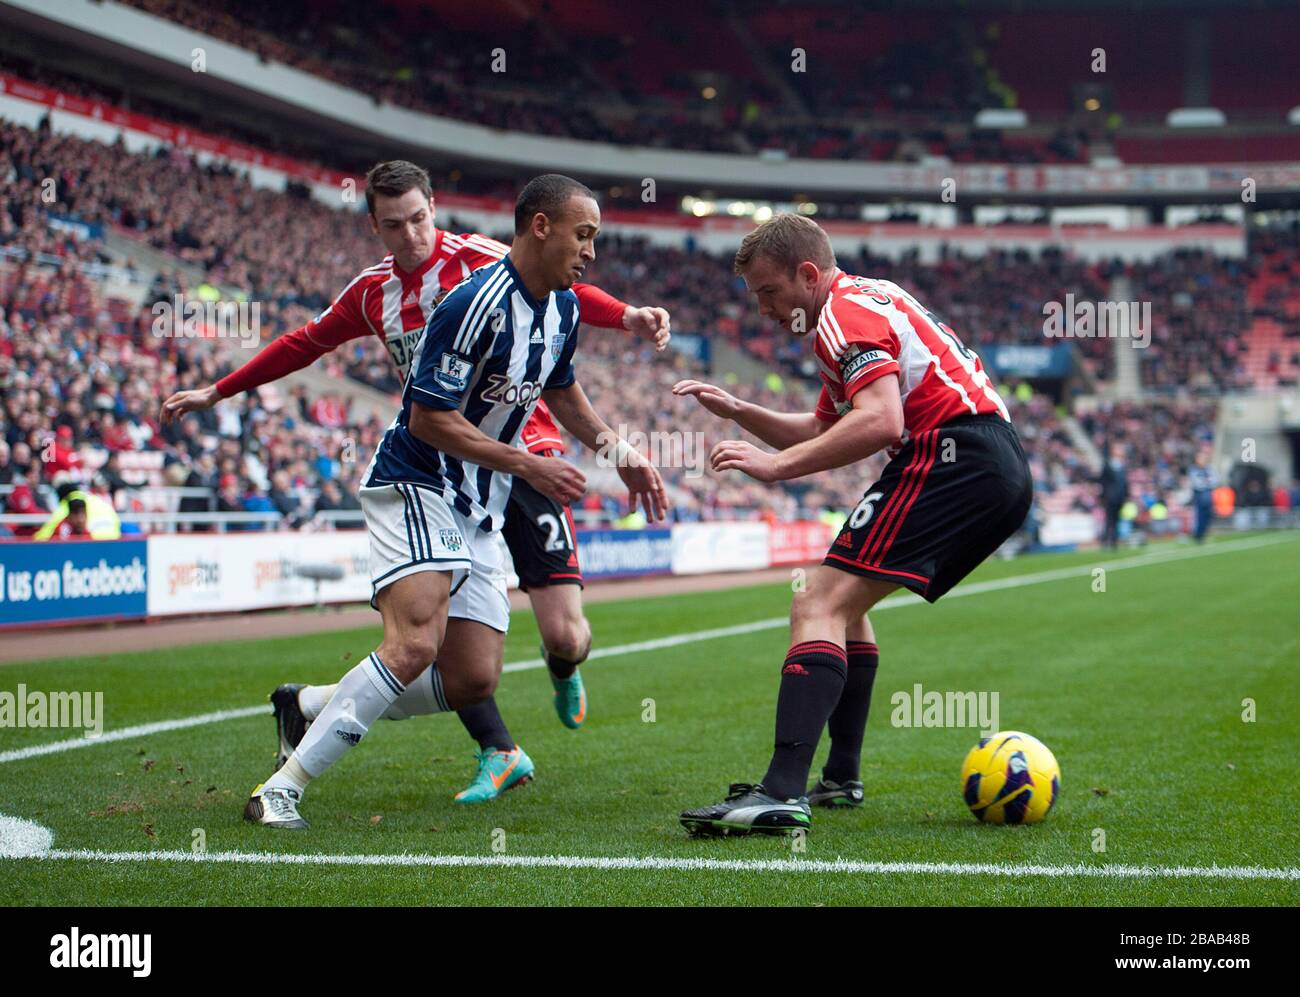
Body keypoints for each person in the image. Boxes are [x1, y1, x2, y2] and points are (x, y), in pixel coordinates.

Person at [161, 160, 672, 803]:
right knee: (415, 642)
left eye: (419, 219)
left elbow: (563, 298)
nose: (410, 237)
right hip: (437, 464)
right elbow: (306, 343)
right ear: (375, 227)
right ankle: (294, 788)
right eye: (393, 226)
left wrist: (625, 323)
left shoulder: (491, 261)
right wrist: (219, 388)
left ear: (435, 209)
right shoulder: (382, 292)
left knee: (500, 665)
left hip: (517, 458)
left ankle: (322, 704)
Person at [673, 213, 1030, 836]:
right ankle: (840, 774)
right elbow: (823, 427)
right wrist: (740, 411)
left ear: (807, 274)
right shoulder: (860, 303)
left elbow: (882, 423)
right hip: (981, 458)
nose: (762, 309)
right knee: (848, 606)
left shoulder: (843, 316)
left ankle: (781, 791)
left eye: (769, 292)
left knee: (816, 602)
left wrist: (776, 468)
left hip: (952, 457)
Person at [1098, 444, 1128, 548]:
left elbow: (1124, 483)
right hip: (1110, 498)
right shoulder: (1108, 465)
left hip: (1120, 498)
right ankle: (1106, 541)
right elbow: (1103, 481)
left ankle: (1114, 541)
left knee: (1116, 520)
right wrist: (1104, 496)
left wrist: (1126, 496)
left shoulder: (1122, 466)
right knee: (1109, 520)